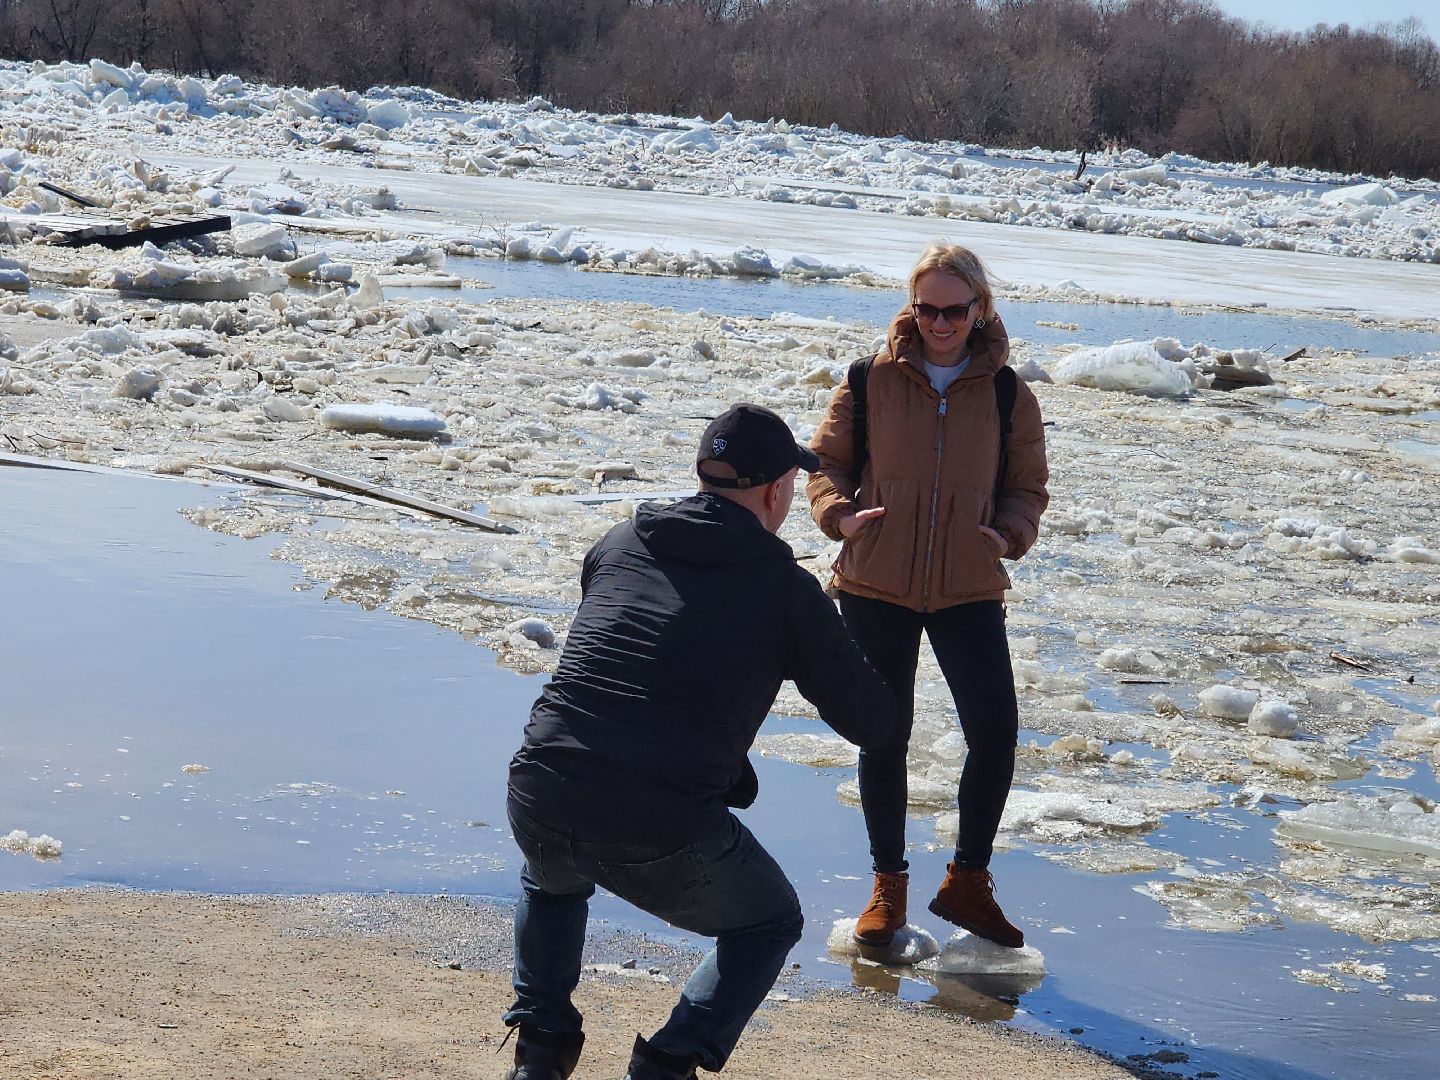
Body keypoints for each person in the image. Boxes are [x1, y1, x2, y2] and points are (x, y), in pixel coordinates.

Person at [502, 404, 897, 1080]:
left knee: (553, 872)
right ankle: (667, 1062)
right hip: (656, 820)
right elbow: (875, 726)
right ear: (776, 492)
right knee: (768, 921)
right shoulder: (784, 589)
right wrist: (867, 628)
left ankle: (540, 1050)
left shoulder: (620, 541)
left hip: (540, 782)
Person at [806, 241, 1050, 951]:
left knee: (995, 734)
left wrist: (1008, 534)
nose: (940, 323)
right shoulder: (869, 379)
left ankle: (968, 882)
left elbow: (1027, 486)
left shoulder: (1007, 393)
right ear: (912, 308)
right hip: (875, 582)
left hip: (968, 584)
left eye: (954, 310)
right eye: (927, 309)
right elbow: (826, 464)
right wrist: (840, 516)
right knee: (885, 734)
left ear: (980, 309)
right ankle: (888, 887)